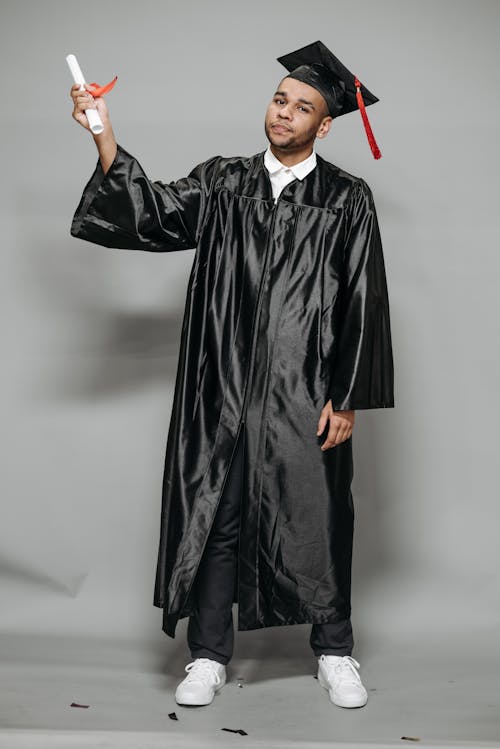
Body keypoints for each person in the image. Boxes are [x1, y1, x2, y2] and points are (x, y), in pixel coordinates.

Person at [69, 40, 394, 710]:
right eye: (280, 99)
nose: (284, 113)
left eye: (302, 107)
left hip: (305, 390)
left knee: (320, 517)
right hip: (221, 386)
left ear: (324, 124)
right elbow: (152, 212)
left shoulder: (347, 199)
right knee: (216, 515)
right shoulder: (222, 182)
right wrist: (102, 131)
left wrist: (349, 395)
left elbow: (364, 297)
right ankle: (209, 654)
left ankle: (335, 649)